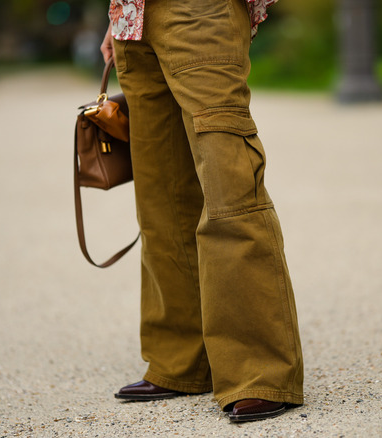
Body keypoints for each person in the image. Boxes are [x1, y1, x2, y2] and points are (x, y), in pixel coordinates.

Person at [100, 0, 304, 423]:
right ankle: (182, 360)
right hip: (131, 19)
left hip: (198, 11)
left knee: (230, 186)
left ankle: (259, 372)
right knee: (162, 196)